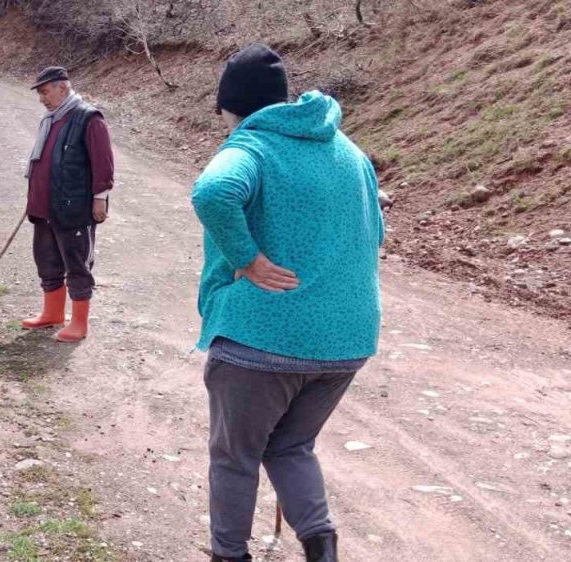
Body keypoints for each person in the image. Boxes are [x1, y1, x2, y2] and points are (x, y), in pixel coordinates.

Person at [190, 44, 385, 562]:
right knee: (291, 446)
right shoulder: (349, 151)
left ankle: (228, 556)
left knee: (235, 457)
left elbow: (212, 192)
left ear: (233, 108)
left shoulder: (251, 146)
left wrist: (247, 259)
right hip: (346, 342)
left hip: (263, 338)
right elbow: (375, 233)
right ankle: (322, 551)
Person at [19, 66, 115, 343]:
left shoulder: (88, 118)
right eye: (40, 93)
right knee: (47, 261)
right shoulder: (50, 120)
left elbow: (103, 163)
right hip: (44, 208)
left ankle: (79, 323)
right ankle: (52, 314)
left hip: (73, 208)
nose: (42, 99)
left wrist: (100, 198)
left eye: (45, 92)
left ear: (63, 87)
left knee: (77, 264)